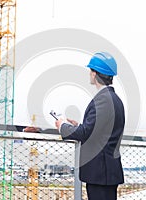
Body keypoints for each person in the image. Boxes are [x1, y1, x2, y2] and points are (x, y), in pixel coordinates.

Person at [55, 52, 125, 200]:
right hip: (107, 171)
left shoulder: (103, 99)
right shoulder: (115, 100)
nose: (89, 73)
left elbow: (85, 132)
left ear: (95, 73)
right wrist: (78, 125)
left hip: (100, 172)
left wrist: (62, 126)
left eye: (91, 70)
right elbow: (99, 129)